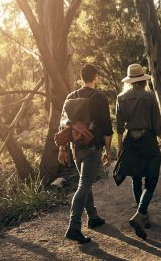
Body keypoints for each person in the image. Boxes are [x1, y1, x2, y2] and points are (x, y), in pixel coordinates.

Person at [115, 63, 161, 240]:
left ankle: (143, 217)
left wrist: (120, 148)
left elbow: (118, 127)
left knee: (136, 178)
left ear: (130, 81)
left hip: (130, 141)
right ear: (143, 80)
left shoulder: (121, 98)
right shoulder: (149, 97)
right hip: (148, 140)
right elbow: (157, 125)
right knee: (152, 178)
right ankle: (140, 214)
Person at [58, 64, 113, 244]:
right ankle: (74, 227)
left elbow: (64, 126)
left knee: (86, 182)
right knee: (83, 185)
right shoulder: (99, 98)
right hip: (92, 148)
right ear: (95, 77)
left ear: (81, 78)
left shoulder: (70, 96)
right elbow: (106, 128)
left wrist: (62, 149)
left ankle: (93, 217)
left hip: (76, 149)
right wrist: (108, 151)